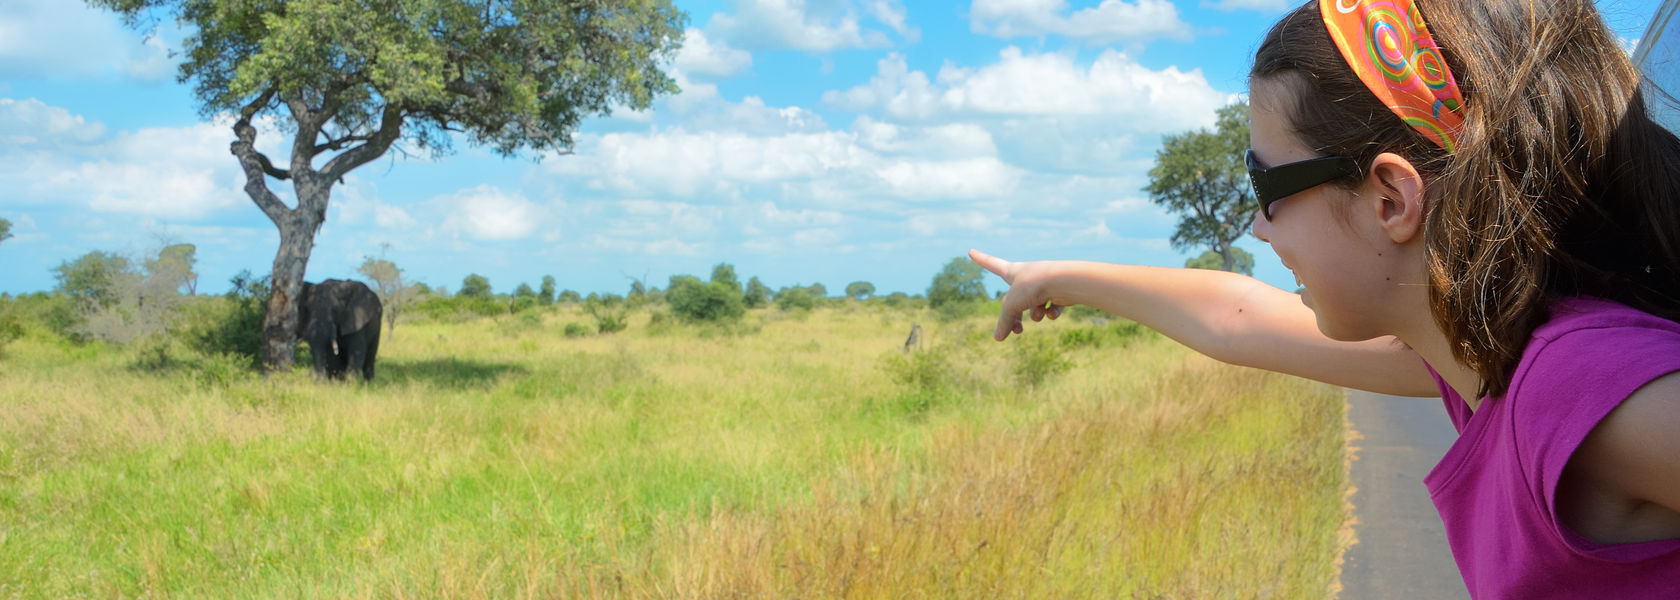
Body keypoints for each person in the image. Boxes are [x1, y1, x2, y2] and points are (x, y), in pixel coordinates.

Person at [970, 1, 1680, 597]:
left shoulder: (1573, 383)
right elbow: (1238, 319)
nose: (1256, 225)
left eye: (1265, 184)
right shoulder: (1489, 358)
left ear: (1392, 197)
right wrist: (1055, 277)